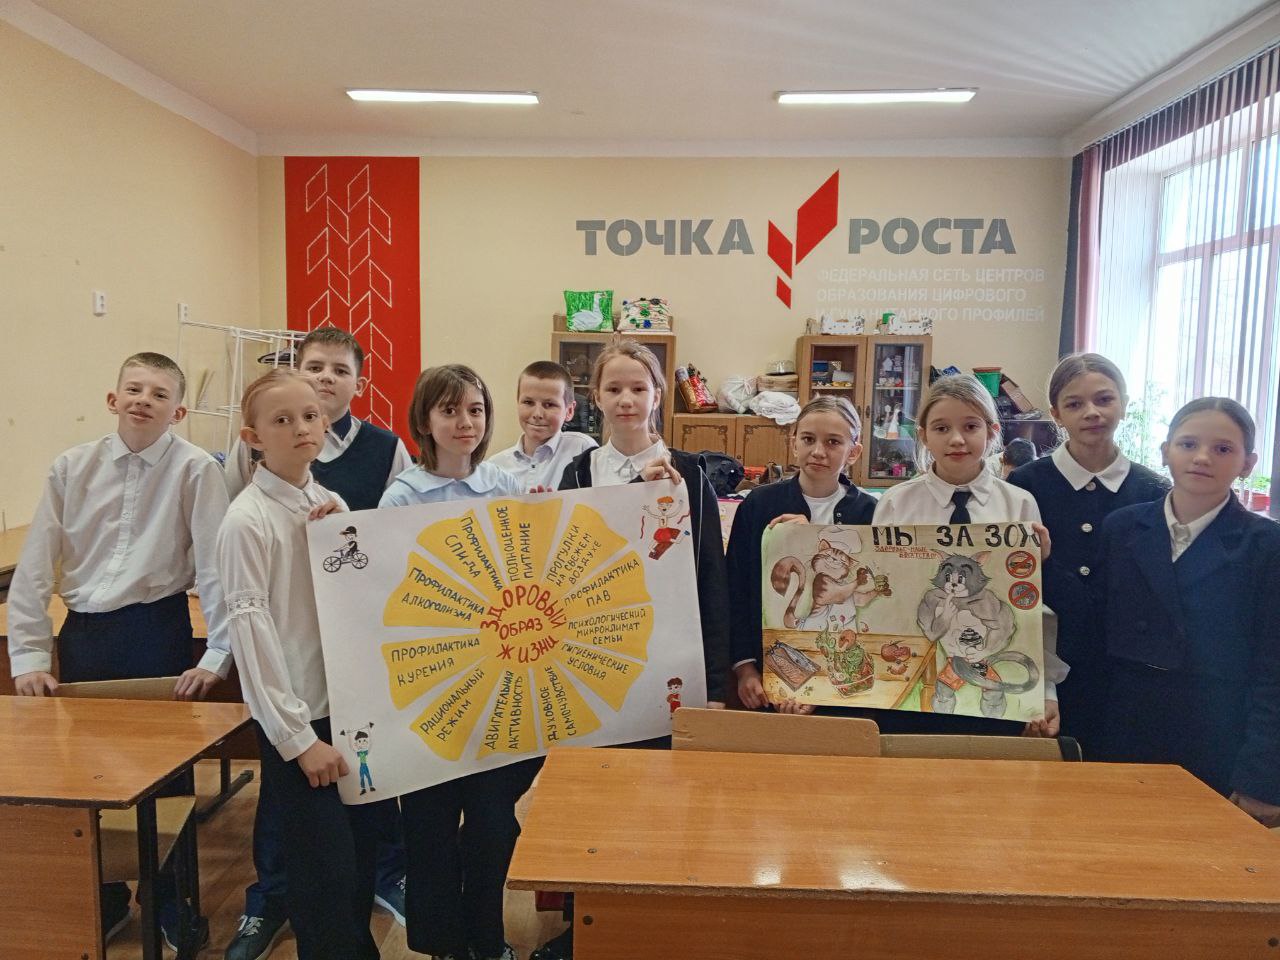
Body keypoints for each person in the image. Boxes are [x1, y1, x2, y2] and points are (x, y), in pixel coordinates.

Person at [7, 351, 231, 948]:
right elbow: (36, 564)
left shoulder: (195, 470)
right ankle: (103, 894)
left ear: (178, 411)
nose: (143, 400)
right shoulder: (71, 467)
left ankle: (169, 898)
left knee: (167, 775)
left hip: (156, 630)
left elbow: (216, 566)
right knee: (87, 773)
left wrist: (217, 654)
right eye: (133, 389)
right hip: (85, 634)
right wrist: (29, 656)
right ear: (113, 399)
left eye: (159, 394)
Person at [537, 338, 731, 960]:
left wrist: (717, 682)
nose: (626, 399)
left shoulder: (687, 475)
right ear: (595, 397)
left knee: (661, 795)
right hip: (591, 665)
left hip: (668, 663)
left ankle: (653, 922)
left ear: (657, 396)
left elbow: (711, 578)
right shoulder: (576, 473)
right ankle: (584, 925)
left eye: (638, 388)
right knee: (590, 799)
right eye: (614, 388)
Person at [223, 328, 413, 960]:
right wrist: (298, 739)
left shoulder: (326, 500)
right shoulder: (247, 520)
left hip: (347, 710)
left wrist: (348, 535)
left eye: (309, 416)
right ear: (253, 437)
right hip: (299, 720)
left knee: (356, 863)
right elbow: (252, 634)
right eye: (282, 420)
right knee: (322, 875)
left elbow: (360, 598)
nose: (301, 428)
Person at [379, 364, 533, 960]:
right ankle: (442, 943)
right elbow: (388, 590)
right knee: (430, 823)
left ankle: (487, 938)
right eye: (449, 410)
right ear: (424, 421)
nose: (465, 422)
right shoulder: (402, 496)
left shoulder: (505, 485)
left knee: (494, 822)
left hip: (499, 682)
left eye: (475, 409)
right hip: (432, 686)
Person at [1092, 398, 1280, 824]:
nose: (1202, 457)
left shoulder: (1266, 546)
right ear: (1165, 452)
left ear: (1247, 463)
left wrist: (1262, 777)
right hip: (1125, 726)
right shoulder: (1121, 527)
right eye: (1188, 444)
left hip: (1217, 735)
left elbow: (1274, 669)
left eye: (1223, 449)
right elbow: (1095, 631)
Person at [873, 374, 1063, 737]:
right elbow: (887, 597)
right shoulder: (896, 503)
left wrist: (1045, 688)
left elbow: (1032, 605)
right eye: (941, 428)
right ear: (924, 435)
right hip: (914, 680)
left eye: (971, 426)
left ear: (992, 432)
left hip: (993, 674)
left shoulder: (1019, 504)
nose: (957, 439)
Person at [1007, 353, 1168, 751]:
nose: (1092, 412)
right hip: (1047, 662)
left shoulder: (1154, 490)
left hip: (1124, 668)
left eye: (1104, 399)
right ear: (1056, 414)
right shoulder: (1025, 485)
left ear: (1124, 404)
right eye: (1075, 403)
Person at [727, 396, 878, 714]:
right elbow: (736, 590)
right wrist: (745, 668)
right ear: (793, 442)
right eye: (808, 439)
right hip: (767, 675)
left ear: (853, 452)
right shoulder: (758, 505)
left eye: (833, 442)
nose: (818, 451)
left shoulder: (871, 513)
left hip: (844, 679)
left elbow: (875, 598)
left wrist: (808, 540)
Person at [487, 360, 597, 490]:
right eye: (528, 402)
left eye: (549, 405)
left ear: (569, 411)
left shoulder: (582, 449)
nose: (537, 414)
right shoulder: (495, 467)